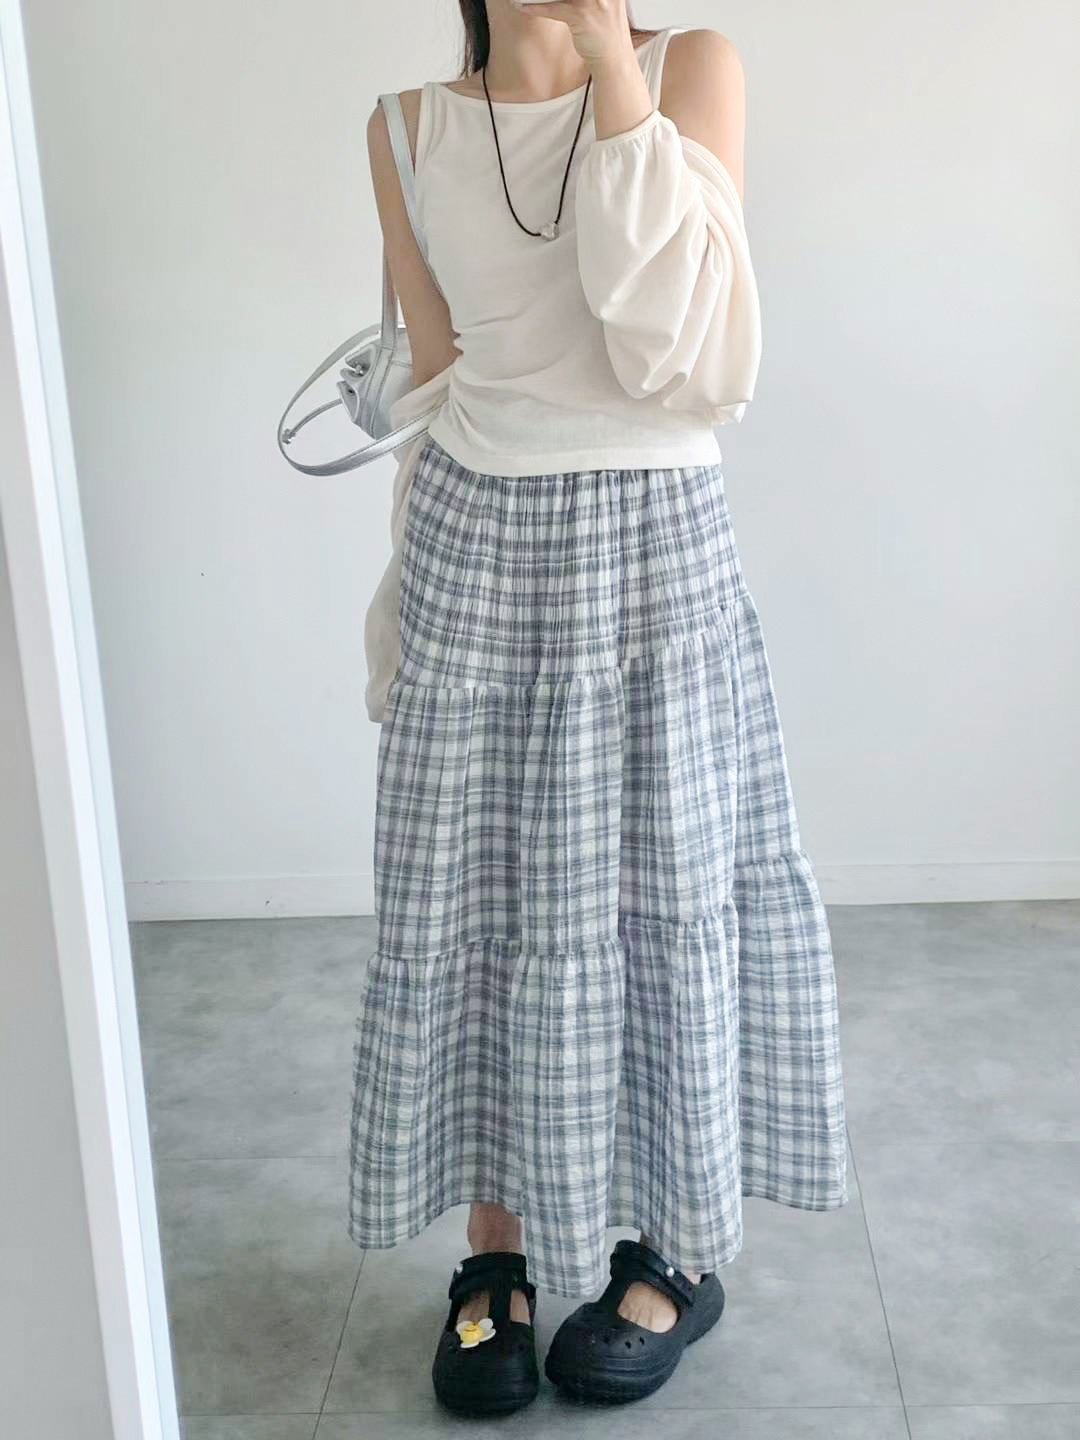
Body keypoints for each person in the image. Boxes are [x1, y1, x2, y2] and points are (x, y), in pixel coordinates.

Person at [348, 0, 848, 1415]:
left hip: (655, 547)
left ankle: (672, 1254)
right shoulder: (405, 128)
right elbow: (436, 373)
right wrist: (403, 599)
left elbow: (685, 355)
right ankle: (493, 1255)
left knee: (668, 893)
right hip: (474, 544)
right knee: (478, 899)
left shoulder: (693, 70)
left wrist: (613, 65)